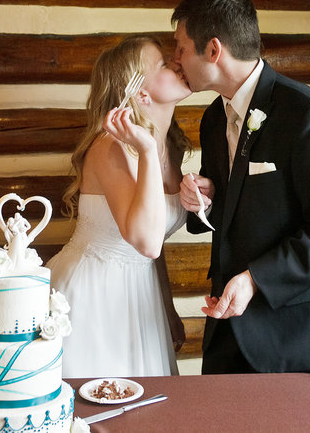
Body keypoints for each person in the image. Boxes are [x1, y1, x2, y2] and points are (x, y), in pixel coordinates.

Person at [173, 0, 310, 386]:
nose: (176, 59)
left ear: (213, 50)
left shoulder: (307, 114)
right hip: (230, 322)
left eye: (181, 47)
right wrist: (206, 198)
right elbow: (235, 207)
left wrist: (255, 280)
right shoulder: (213, 119)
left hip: (300, 330)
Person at [48, 35, 191, 378]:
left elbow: (154, 250)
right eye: (163, 64)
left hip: (141, 297)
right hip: (94, 295)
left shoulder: (168, 147)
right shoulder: (111, 147)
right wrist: (143, 152)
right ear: (141, 93)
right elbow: (146, 239)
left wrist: (167, 306)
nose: (176, 64)